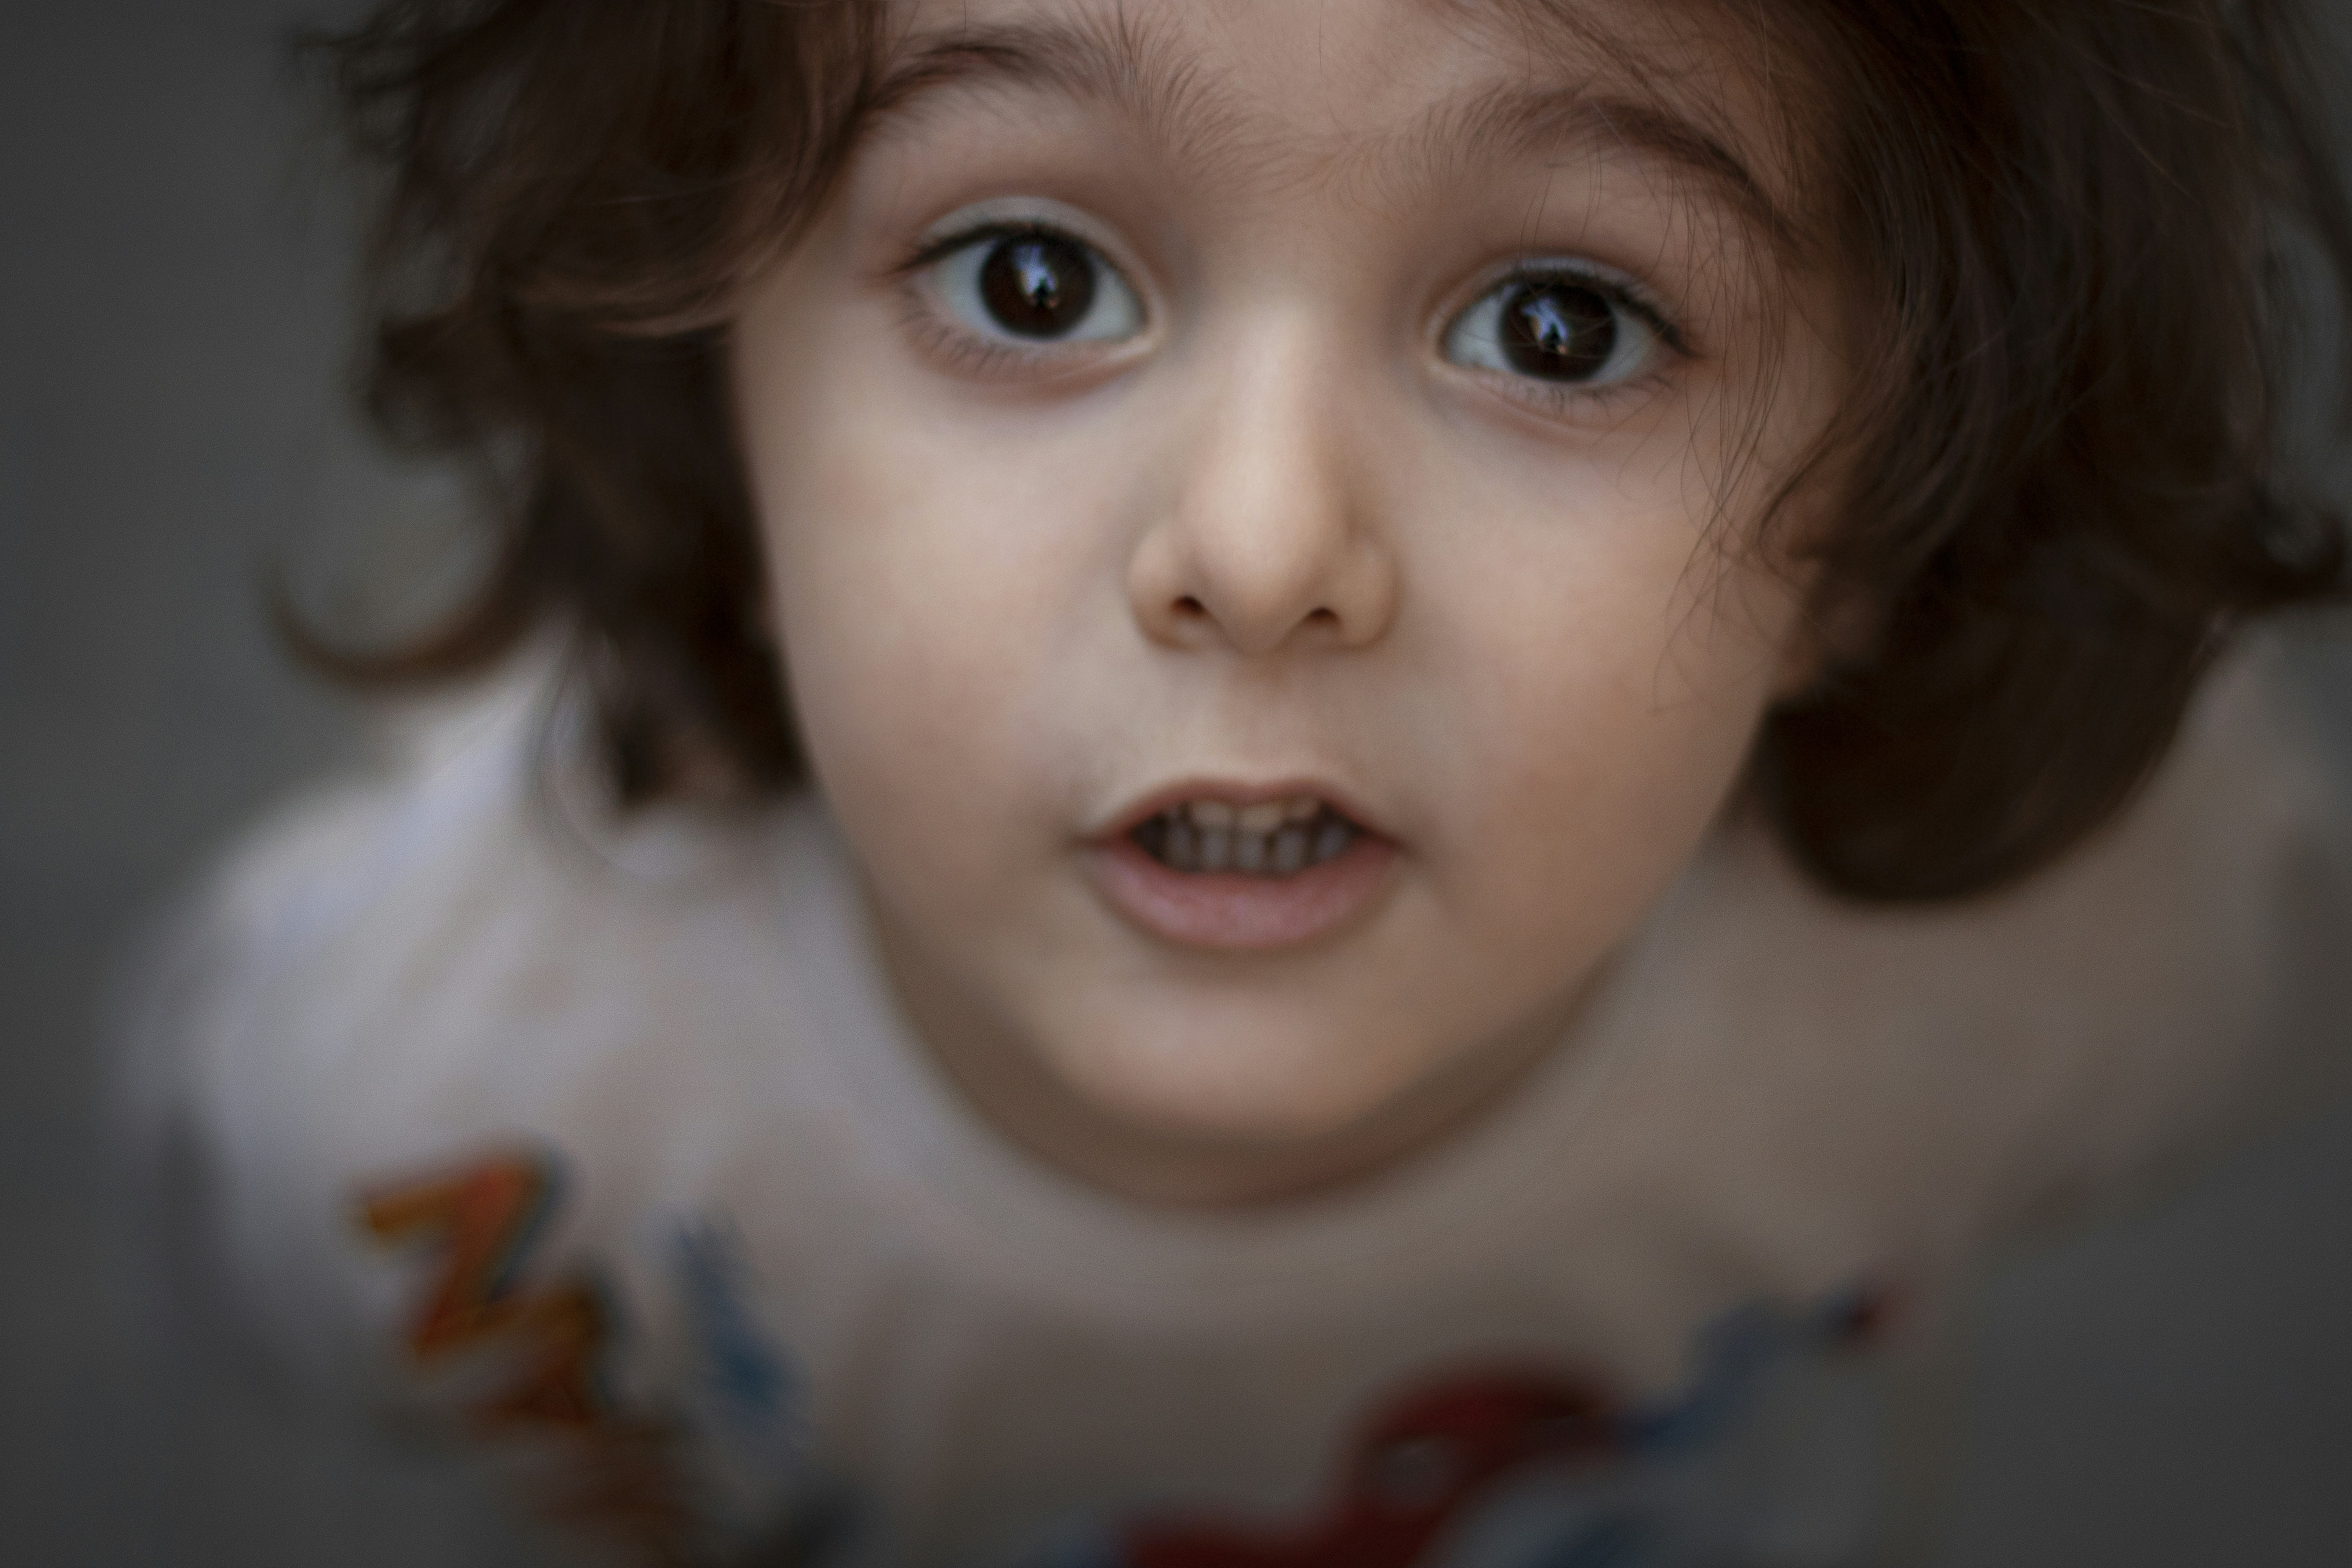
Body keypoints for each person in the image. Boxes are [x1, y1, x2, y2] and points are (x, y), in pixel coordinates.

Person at [115, 0, 2352, 1564]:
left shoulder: (2083, 951)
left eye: (1559, 325)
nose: (1265, 550)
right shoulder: (430, 1090)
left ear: (1872, 540)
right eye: (1029, 274)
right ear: (718, 414)